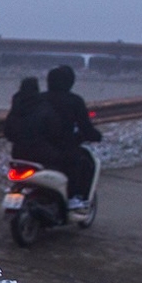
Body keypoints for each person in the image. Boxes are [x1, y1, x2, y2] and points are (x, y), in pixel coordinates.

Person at [43, 64, 102, 209]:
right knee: (82, 163)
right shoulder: (75, 101)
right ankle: (74, 198)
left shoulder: (39, 99)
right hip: (62, 149)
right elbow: (86, 127)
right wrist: (96, 136)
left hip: (35, 147)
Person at [3, 76, 64, 168]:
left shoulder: (16, 109)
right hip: (42, 152)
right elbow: (55, 131)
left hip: (18, 153)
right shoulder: (43, 106)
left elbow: (8, 132)